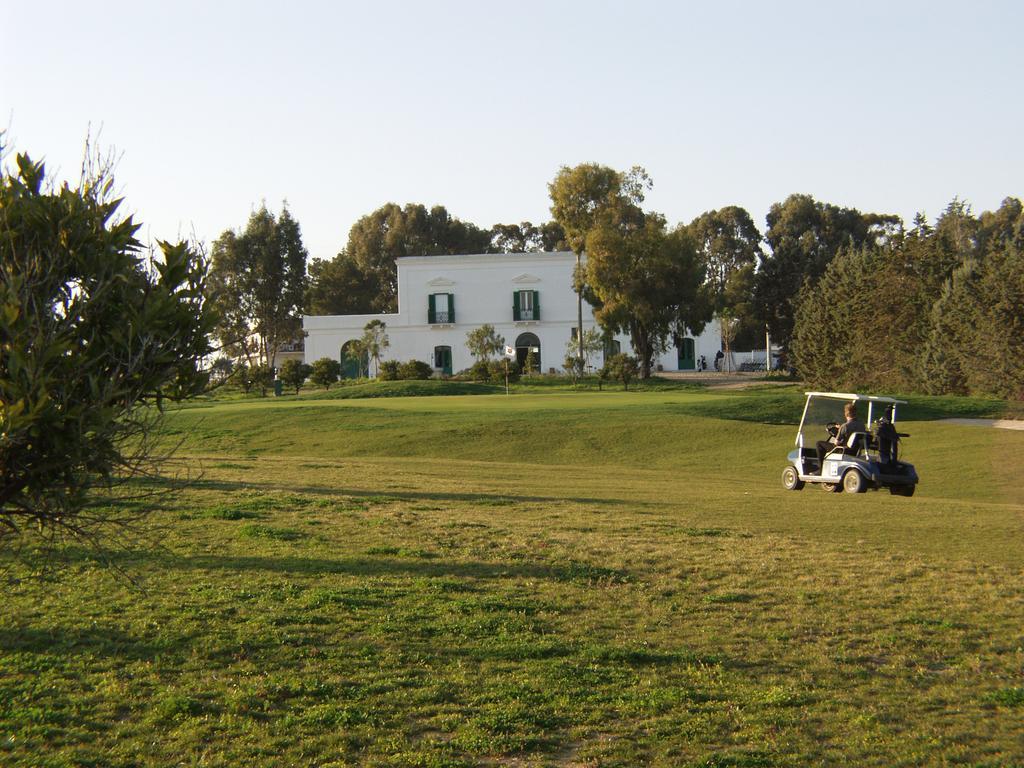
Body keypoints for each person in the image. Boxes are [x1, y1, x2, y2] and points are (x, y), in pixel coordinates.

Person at [816, 402, 866, 472]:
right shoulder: (861, 425)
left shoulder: (845, 426)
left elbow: (836, 443)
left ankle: (820, 469)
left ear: (846, 414)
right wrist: (840, 430)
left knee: (819, 444)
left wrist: (838, 432)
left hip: (844, 450)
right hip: (855, 450)